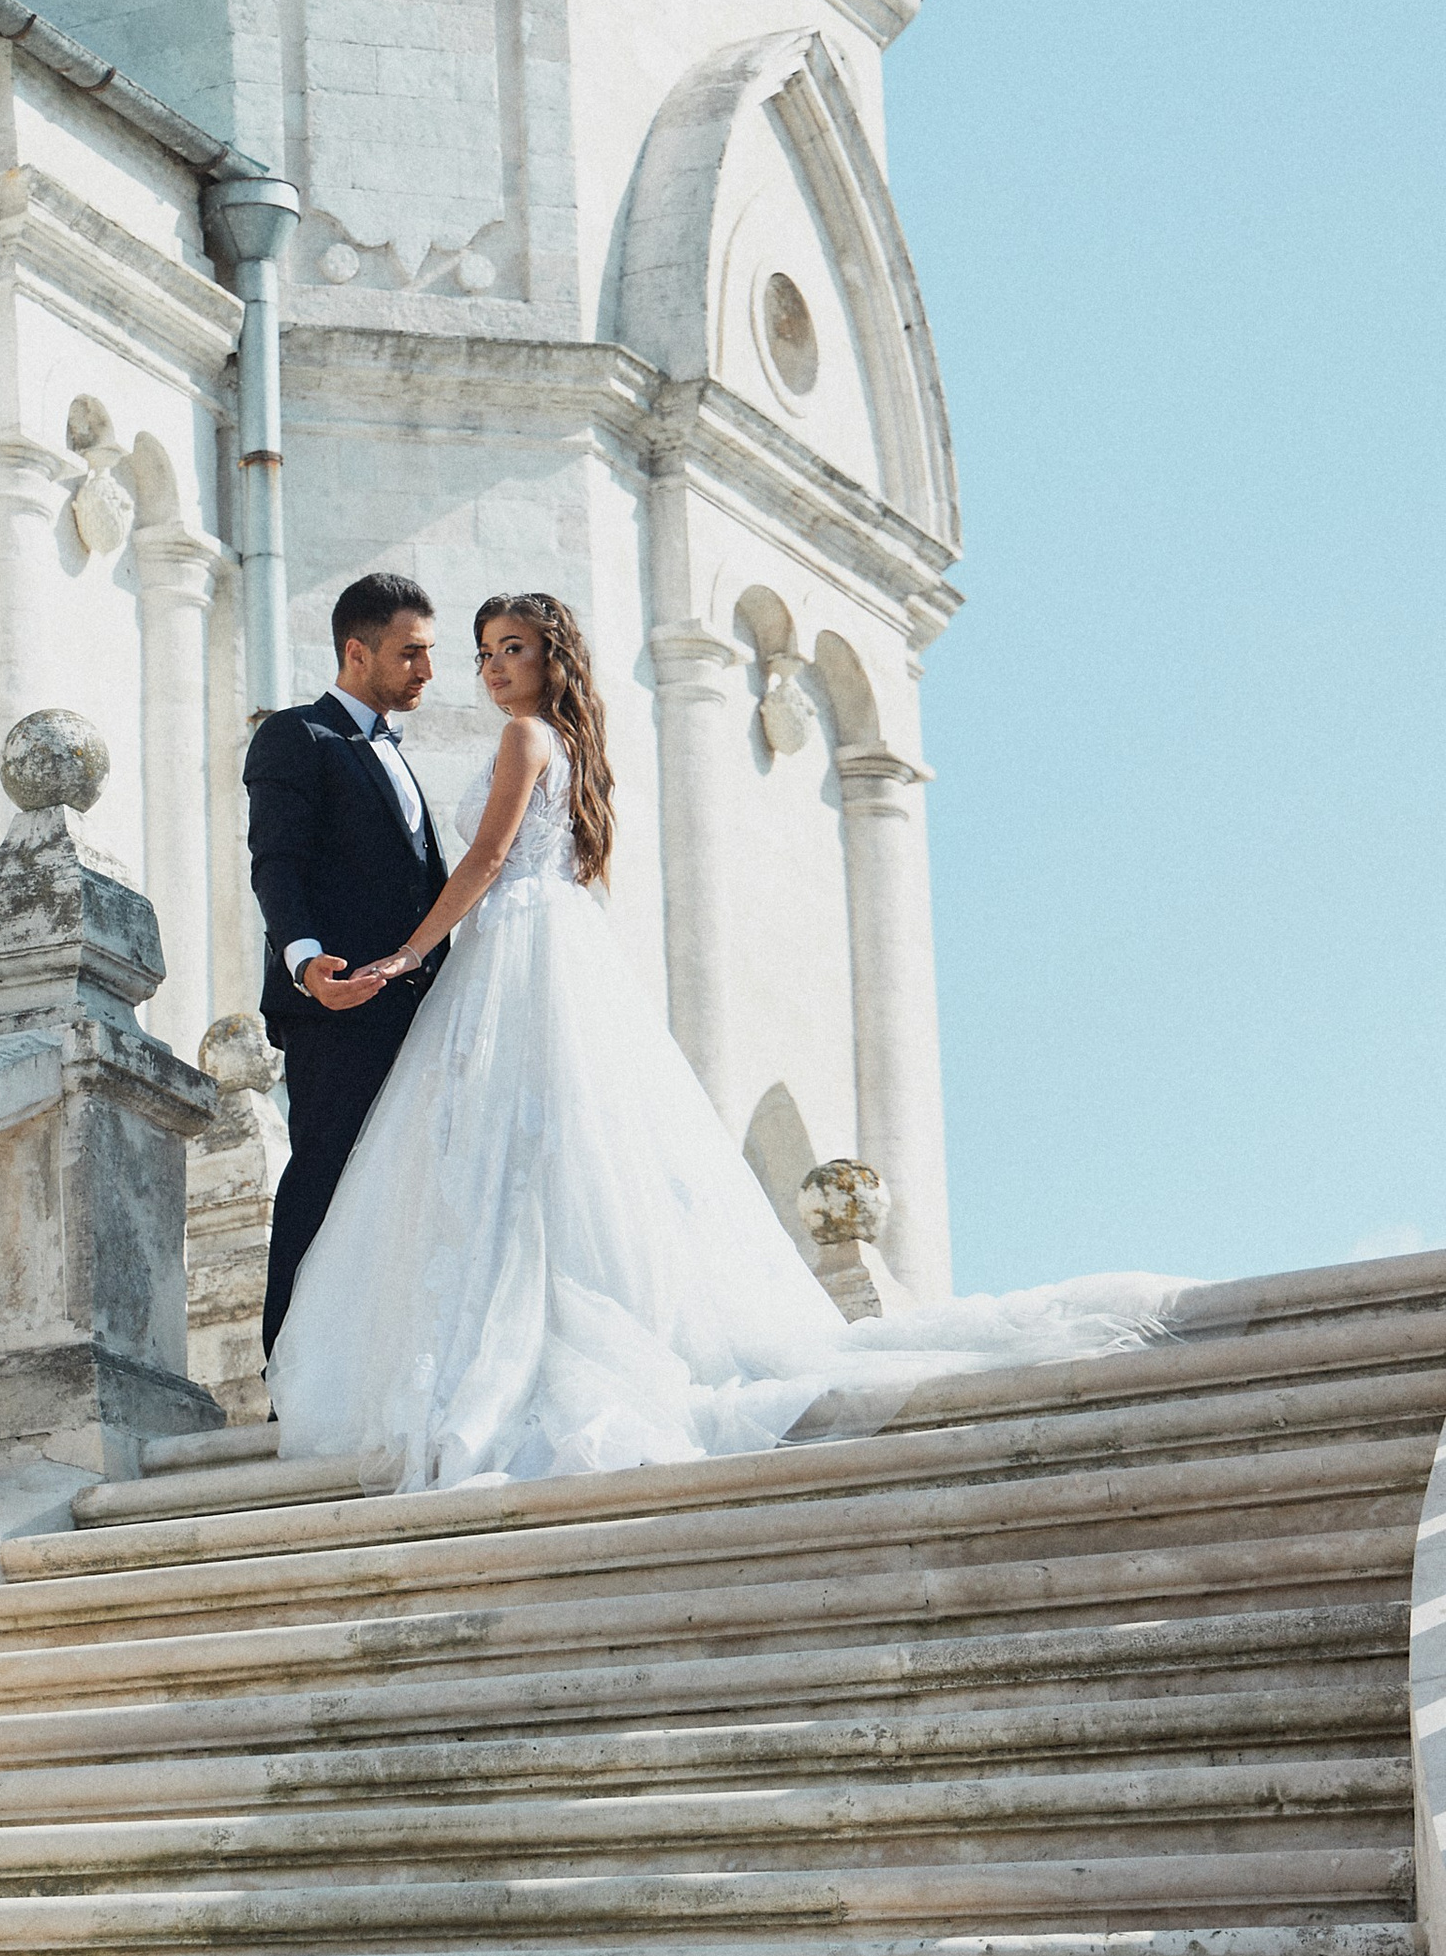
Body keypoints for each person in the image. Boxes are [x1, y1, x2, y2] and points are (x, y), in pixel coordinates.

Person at [270, 589, 1178, 1487]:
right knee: (545, 1152)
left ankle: (504, 1346)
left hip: (514, 947)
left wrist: (405, 956)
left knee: (512, 1153)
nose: (490, 667)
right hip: (547, 943)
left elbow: (488, 858)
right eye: (485, 652)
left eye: (511, 648)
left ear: (551, 660)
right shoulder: (574, 745)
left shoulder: (524, 738)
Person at [243, 571, 451, 1356]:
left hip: (417, 1006)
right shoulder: (295, 736)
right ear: (357, 652)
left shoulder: (394, 751)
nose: (427, 672)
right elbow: (276, 864)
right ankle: (286, 1369)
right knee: (325, 1171)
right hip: (338, 1004)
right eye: (411, 654)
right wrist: (305, 965)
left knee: (407, 1182)